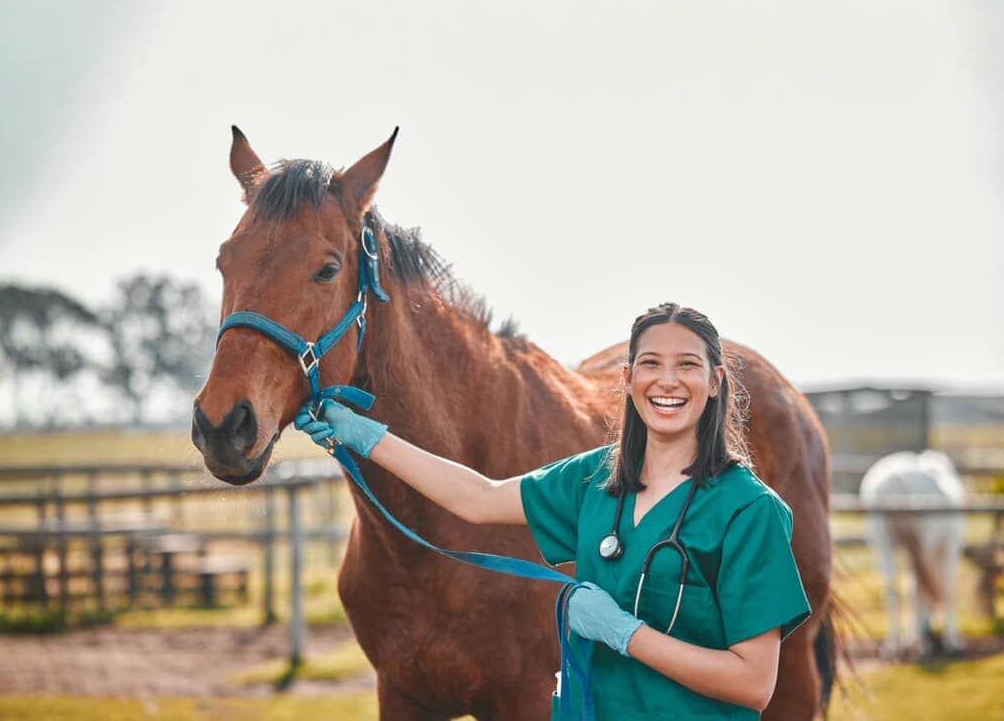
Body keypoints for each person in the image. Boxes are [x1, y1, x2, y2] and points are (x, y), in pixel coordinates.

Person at [295, 302, 811, 719]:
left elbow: (753, 683)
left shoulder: (749, 511)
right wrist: (367, 438)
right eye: (651, 363)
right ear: (628, 378)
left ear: (715, 381)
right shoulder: (595, 478)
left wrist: (626, 635)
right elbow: (477, 497)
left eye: (687, 365)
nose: (667, 381)